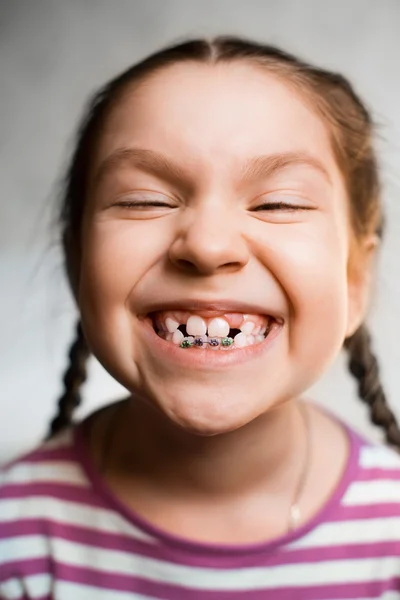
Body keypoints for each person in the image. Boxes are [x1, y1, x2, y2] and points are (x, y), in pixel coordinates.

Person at [2, 35, 400, 599]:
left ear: (355, 278)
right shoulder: (14, 536)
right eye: (145, 199)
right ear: (78, 264)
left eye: (278, 203)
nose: (209, 245)